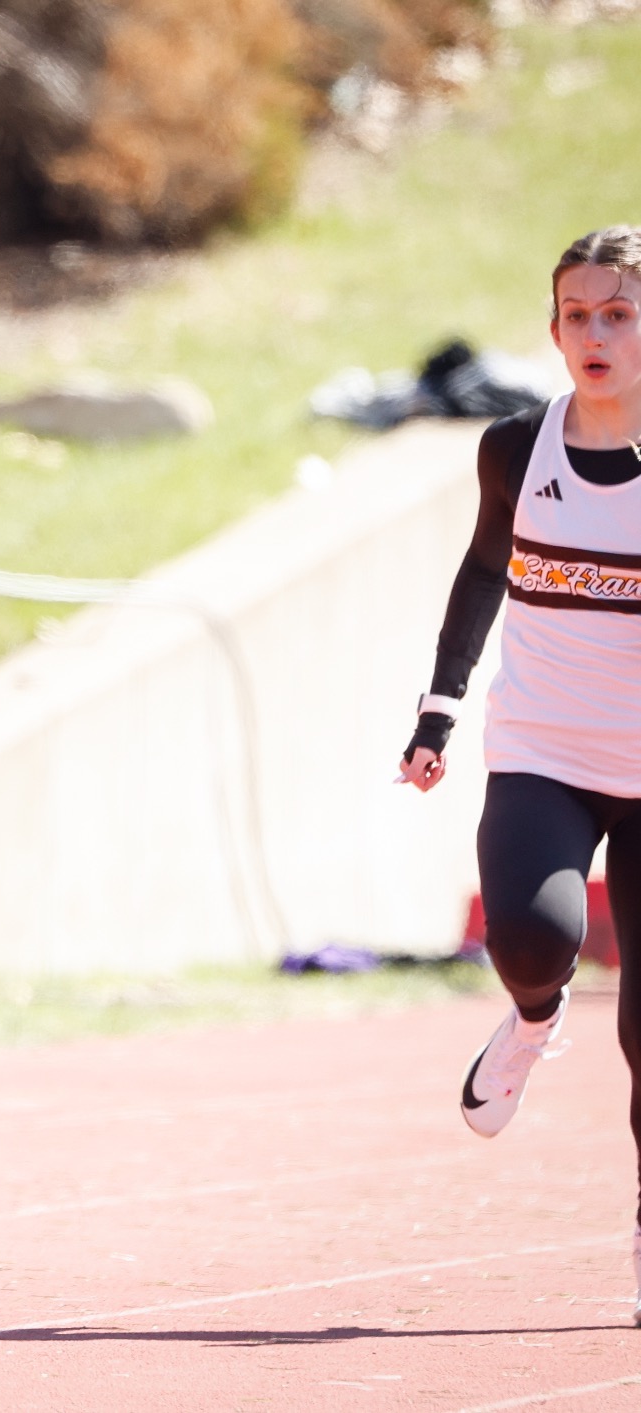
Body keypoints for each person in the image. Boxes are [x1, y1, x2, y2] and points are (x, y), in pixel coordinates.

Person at [398, 227, 641, 1324]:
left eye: (617, 313)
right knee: (530, 938)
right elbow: (482, 566)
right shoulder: (513, 447)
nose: (593, 334)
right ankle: (532, 1017)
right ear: (550, 330)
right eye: (575, 315)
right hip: (543, 746)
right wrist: (438, 706)